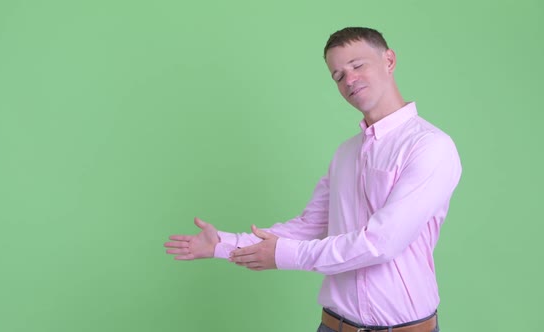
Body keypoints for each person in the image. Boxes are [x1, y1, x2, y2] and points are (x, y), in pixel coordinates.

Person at [164, 27, 461, 332]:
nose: (349, 80)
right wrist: (223, 244)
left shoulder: (430, 146)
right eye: (338, 75)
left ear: (389, 60)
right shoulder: (346, 154)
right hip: (332, 326)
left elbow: (381, 242)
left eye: (358, 66)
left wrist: (283, 256)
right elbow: (307, 228)